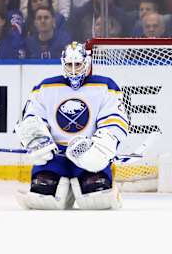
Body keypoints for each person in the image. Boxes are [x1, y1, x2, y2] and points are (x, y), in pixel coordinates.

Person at [14, 41, 128, 210]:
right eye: (69, 64)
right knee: (43, 194)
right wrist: (36, 140)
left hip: (86, 154)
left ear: (86, 63)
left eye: (78, 64)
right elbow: (32, 117)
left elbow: (115, 119)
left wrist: (104, 144)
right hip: (55, 156)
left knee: (96, 198)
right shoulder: (45, 87)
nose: (74, 69)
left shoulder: (105, 86)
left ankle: (84, 184)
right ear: (63, 64)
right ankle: (62, 185)